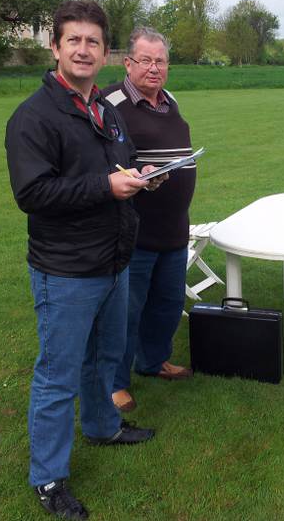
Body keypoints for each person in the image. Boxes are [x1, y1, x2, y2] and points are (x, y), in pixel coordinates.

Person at [5, 1, 165, 520]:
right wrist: (106, 186)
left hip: (113, 261)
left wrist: (141, 174)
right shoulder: (33, 116)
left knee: (104, 356)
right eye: (72, 40)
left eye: (92, 41)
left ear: (104, 52)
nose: (82, 49)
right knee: (57, 374)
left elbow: (118, 165)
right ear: (55, 48)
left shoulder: (106, 109)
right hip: (65, 271)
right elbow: (33, 193)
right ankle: (49, 478)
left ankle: (102, 427)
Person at [102, 28, 196, 413]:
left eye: (161, 61)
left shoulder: (169, 100)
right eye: (145, 60)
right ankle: (115, 383)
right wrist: (140, 170)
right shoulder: (110, 102)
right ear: (128, 63)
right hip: (134, 232)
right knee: (126, 311)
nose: (154, 68)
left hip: (174, 228)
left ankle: (154, 361)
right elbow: (101, 161)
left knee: (168, 304)